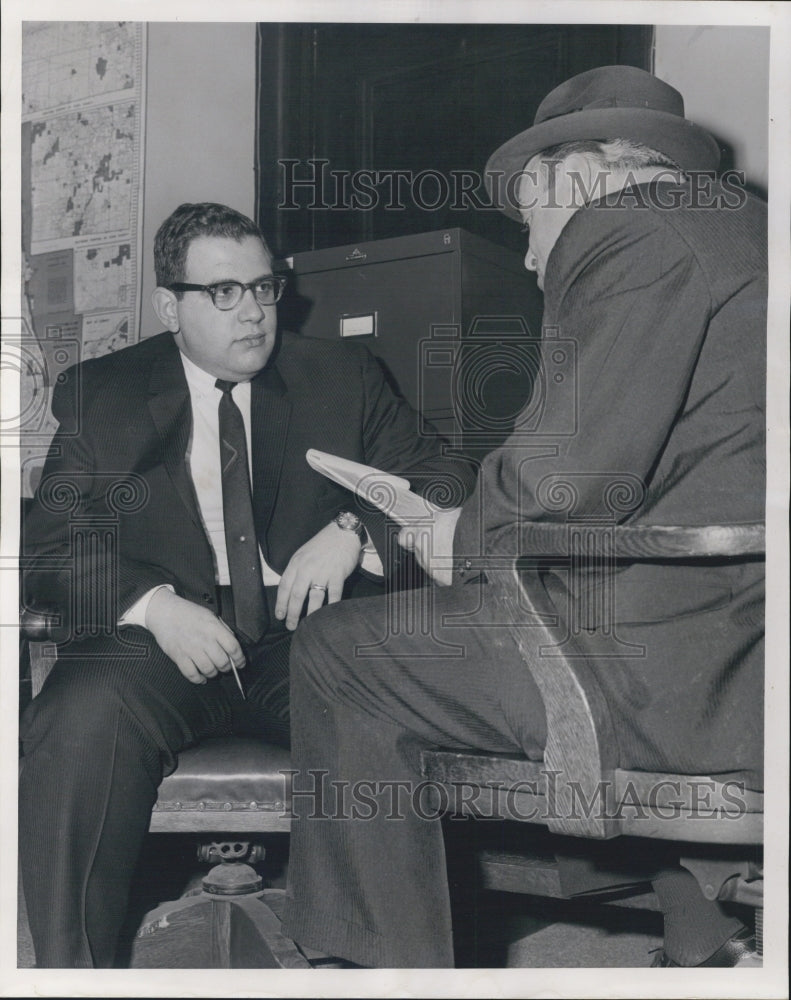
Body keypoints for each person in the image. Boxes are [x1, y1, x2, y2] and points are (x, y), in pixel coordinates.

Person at [280, 65, 765, 967]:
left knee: (344, 651)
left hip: (690, 674)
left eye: (530, 219)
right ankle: (705, 940)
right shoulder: (750, 231)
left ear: (564, 176)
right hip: (751, 649)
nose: (536, 254)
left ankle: (375, 967)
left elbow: (562, 480)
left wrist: (453, 535)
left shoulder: (629, 229)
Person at [19, 201, 476, 968]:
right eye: (224, 293)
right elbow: (49, 545)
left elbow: (444, 473)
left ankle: (386, 971)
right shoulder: (104, 392)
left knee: (383, 712)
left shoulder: (341, 374)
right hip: (160, 642)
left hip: (310, 637)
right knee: (81, 715)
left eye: (264, 288)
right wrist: (154, 608)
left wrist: (356, 529)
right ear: (171, 306)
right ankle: (72, 977)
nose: (254, 313)